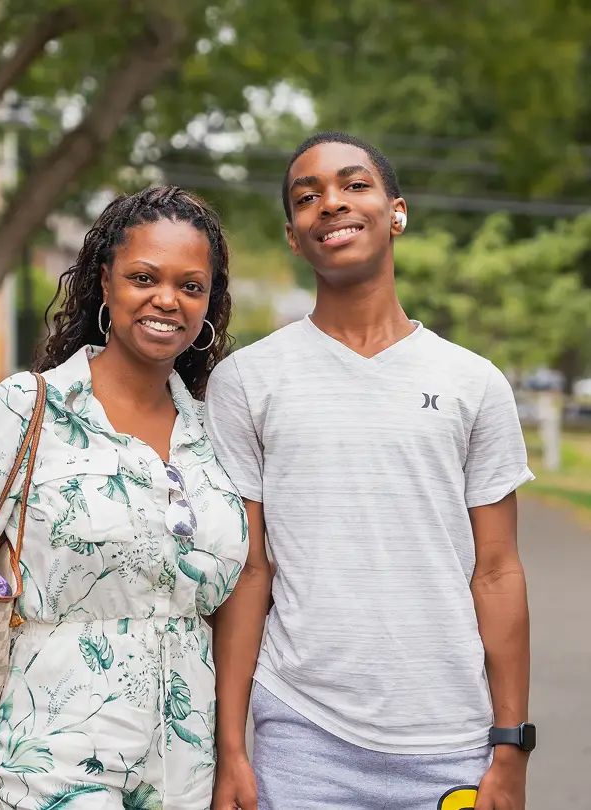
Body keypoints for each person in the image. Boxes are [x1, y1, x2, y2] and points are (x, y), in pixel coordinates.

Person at [206, 133, 536, 810]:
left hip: (451, 741)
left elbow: (497, 570)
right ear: (295, 238)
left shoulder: (474, 383)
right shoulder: (247, 381)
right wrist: (230, 748)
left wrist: (510, 746)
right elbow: (249, 569)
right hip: (301, 736)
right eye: (307, 197)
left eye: (354, 186)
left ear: (397, 213)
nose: (331, 203)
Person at [0, 186, 249, 810]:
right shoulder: (26, 408)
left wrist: (230, 753)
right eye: (144, 277)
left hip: (184, 759)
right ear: (105, 284)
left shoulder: (214, 432)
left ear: (208, 304)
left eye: (190, 286)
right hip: (55, 747)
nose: (167, 299)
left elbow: (230, 597)